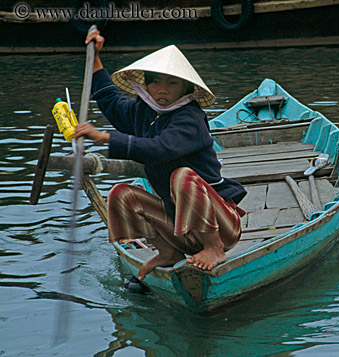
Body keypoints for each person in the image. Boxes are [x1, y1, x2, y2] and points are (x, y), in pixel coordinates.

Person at [74, 31, 247, 280]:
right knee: (121, 194)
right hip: (179, 229)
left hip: (221, 226)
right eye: (155, 82)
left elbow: (159, 149)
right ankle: (168, 251)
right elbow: (111, 101)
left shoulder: (190, 118)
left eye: (171, 83)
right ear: (146, 85)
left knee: (182, 176)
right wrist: (95, 58)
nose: (161, 90)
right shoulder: (145, 111)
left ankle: (214, 249)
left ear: (186, 88)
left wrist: (104, 137)